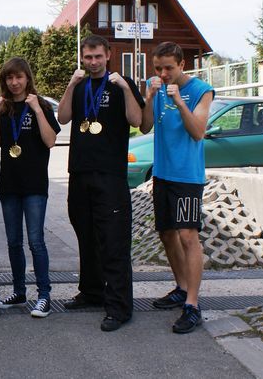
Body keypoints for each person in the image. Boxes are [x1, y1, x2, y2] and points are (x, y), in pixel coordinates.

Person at [57, 35, 143, 331]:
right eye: (87, 57)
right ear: (82, 58)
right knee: (86, 236)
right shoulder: (79, 85)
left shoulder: (122, 83)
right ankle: (92, 291)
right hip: (80, 172)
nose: (92, 62)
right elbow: (64, 117)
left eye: (97, 57)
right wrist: (70, 84)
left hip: (111, 176)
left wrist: (125, 89)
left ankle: (119, 307)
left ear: (108, 56)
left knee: (114, 241)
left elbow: (137, 120)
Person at [140, 41, 214, 334]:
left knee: (187, 235)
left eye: (168, 68)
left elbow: (198, 132)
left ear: (183, 65)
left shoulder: (201, 90)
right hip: (163, 174)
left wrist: (181, 102)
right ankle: (181, 288)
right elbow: (145, 127)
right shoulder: (154, 85)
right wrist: (149, 97)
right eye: (158, 68)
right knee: (167, 233)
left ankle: (193, 305)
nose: (163, 73)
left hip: (187, 176)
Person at [0, 57, 59, 318]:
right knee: (13, 242)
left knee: (36, 241)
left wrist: (38, 110)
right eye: (9, 78)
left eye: (19, 77)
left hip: (34, 185)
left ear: (27, 78)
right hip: (8, 184)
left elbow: (50, 141)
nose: (14, 82)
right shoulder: (3, 108)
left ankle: (44, 295)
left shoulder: (39, 105)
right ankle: (19, 291)